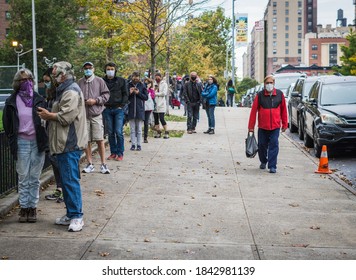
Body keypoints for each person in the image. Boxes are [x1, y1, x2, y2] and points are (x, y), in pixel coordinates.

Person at [37, 61, 88, 232]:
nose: (53, 76)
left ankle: (77, 216)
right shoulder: (63, 90)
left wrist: (48, 115)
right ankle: (71, 213)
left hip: (69, 144)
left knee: (70, 181)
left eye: (55, 73)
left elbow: (66, 117)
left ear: (63, 74)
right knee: (66, 181)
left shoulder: (71, 91)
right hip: (62, 143)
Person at [2, 68, 48, 223]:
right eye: (22, 80)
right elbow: (7, 124)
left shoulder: (39, 99)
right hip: (21, 142)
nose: (26, 82)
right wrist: (11, 139)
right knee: (23, 177)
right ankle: (24, 208)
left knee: (34, 178)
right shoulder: (11, 101)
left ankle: (32, 208)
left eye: (29, 79)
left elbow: (45, 120)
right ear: (17, 83)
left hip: (37, 142)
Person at [248, 75, 288, 174]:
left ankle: (272, 165)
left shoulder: (279, 94)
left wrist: (285, 124)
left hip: (275, 126)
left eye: (271, 83)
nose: (269, 85)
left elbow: (284, 110)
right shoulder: (260, 95)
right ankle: (263, 161)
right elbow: (253, 112)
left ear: (274, 83)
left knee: (274, 145)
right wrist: (251, 127)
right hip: (263, 126)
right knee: (262, 146)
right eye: (267, 83)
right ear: (264, 84)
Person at [78, 62, 110, 174]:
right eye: (86, 68)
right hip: (84, 115)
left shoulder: (100, 81)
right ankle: (89, 163)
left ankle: (103, 164)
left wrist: (96, 101)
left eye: (90, 68)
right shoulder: (80, 82)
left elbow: (106, 95)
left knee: (99, 139)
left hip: (96, 114)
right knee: (86, 140)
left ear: (93, 69)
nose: (88, 70)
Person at [42, 68, 64, 203]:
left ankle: (63, 189)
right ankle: (59, 188)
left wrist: (48, 113)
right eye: (44, 81)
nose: (46, 83)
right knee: (54, 161)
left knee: (60, 161)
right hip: (51, 129)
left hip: (59, 131)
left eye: (47, 81)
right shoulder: (49, 93)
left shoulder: (61, 92)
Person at [102, 62, 129, 161]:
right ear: (105, 70)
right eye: (108, 69)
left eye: (112, 69)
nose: (110, 71)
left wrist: (121, 106)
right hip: (107, 109)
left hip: (118, 109)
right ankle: (113, 152)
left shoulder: (121, 81)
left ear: (115, 70)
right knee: (110, 132)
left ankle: (120, 153)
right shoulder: (101, 81)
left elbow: (125, 94)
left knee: (118, 131)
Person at [127, 71, 148, 151]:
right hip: (131, 109)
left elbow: (146, 97)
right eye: (134, 76)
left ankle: (139, 144)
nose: (135, 78)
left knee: (139, 129)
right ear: (132, 76)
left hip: (139, 110)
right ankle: (133, 144)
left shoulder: (142, 86)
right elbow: (125, 96)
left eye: (137, 76)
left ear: (139, 77)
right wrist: (130, 92)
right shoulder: (128, 85)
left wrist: (138, 93)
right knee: (132, 129)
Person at [153, 72, 169, 139]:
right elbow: (151, 92)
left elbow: (164, 93)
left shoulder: (164, 84)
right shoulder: (154, 84)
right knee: (156, 119)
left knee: (162, 119)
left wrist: (156, 93)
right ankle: (158, 132)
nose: (157, 78)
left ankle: (166, 132)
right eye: (155, 77)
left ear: (160, 77)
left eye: (158, 77)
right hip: (155, 104)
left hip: (161, 104)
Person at [144, 78, 155, 143]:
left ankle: (145, 137)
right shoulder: (142, 89)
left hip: (148, 108)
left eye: (148, 83)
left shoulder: (151, 90)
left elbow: (153, 97)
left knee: (146, 122)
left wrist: (148, 89)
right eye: (146, 83)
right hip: (142, 108)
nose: (147, 84)